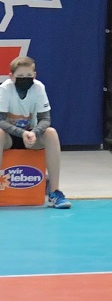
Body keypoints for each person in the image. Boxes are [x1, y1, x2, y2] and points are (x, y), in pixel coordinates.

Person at [0, 56, 68, 209]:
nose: (25, 79)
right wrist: (20, 132)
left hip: (31, 137)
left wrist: (34, 132)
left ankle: (54, 192)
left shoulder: (38, 88)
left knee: (51, 133)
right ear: (11, 76)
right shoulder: (5, 89)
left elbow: (45, 118)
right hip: (9, 137)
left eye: (29, 76)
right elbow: (1, 120)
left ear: (35, 76)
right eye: (21, 77)